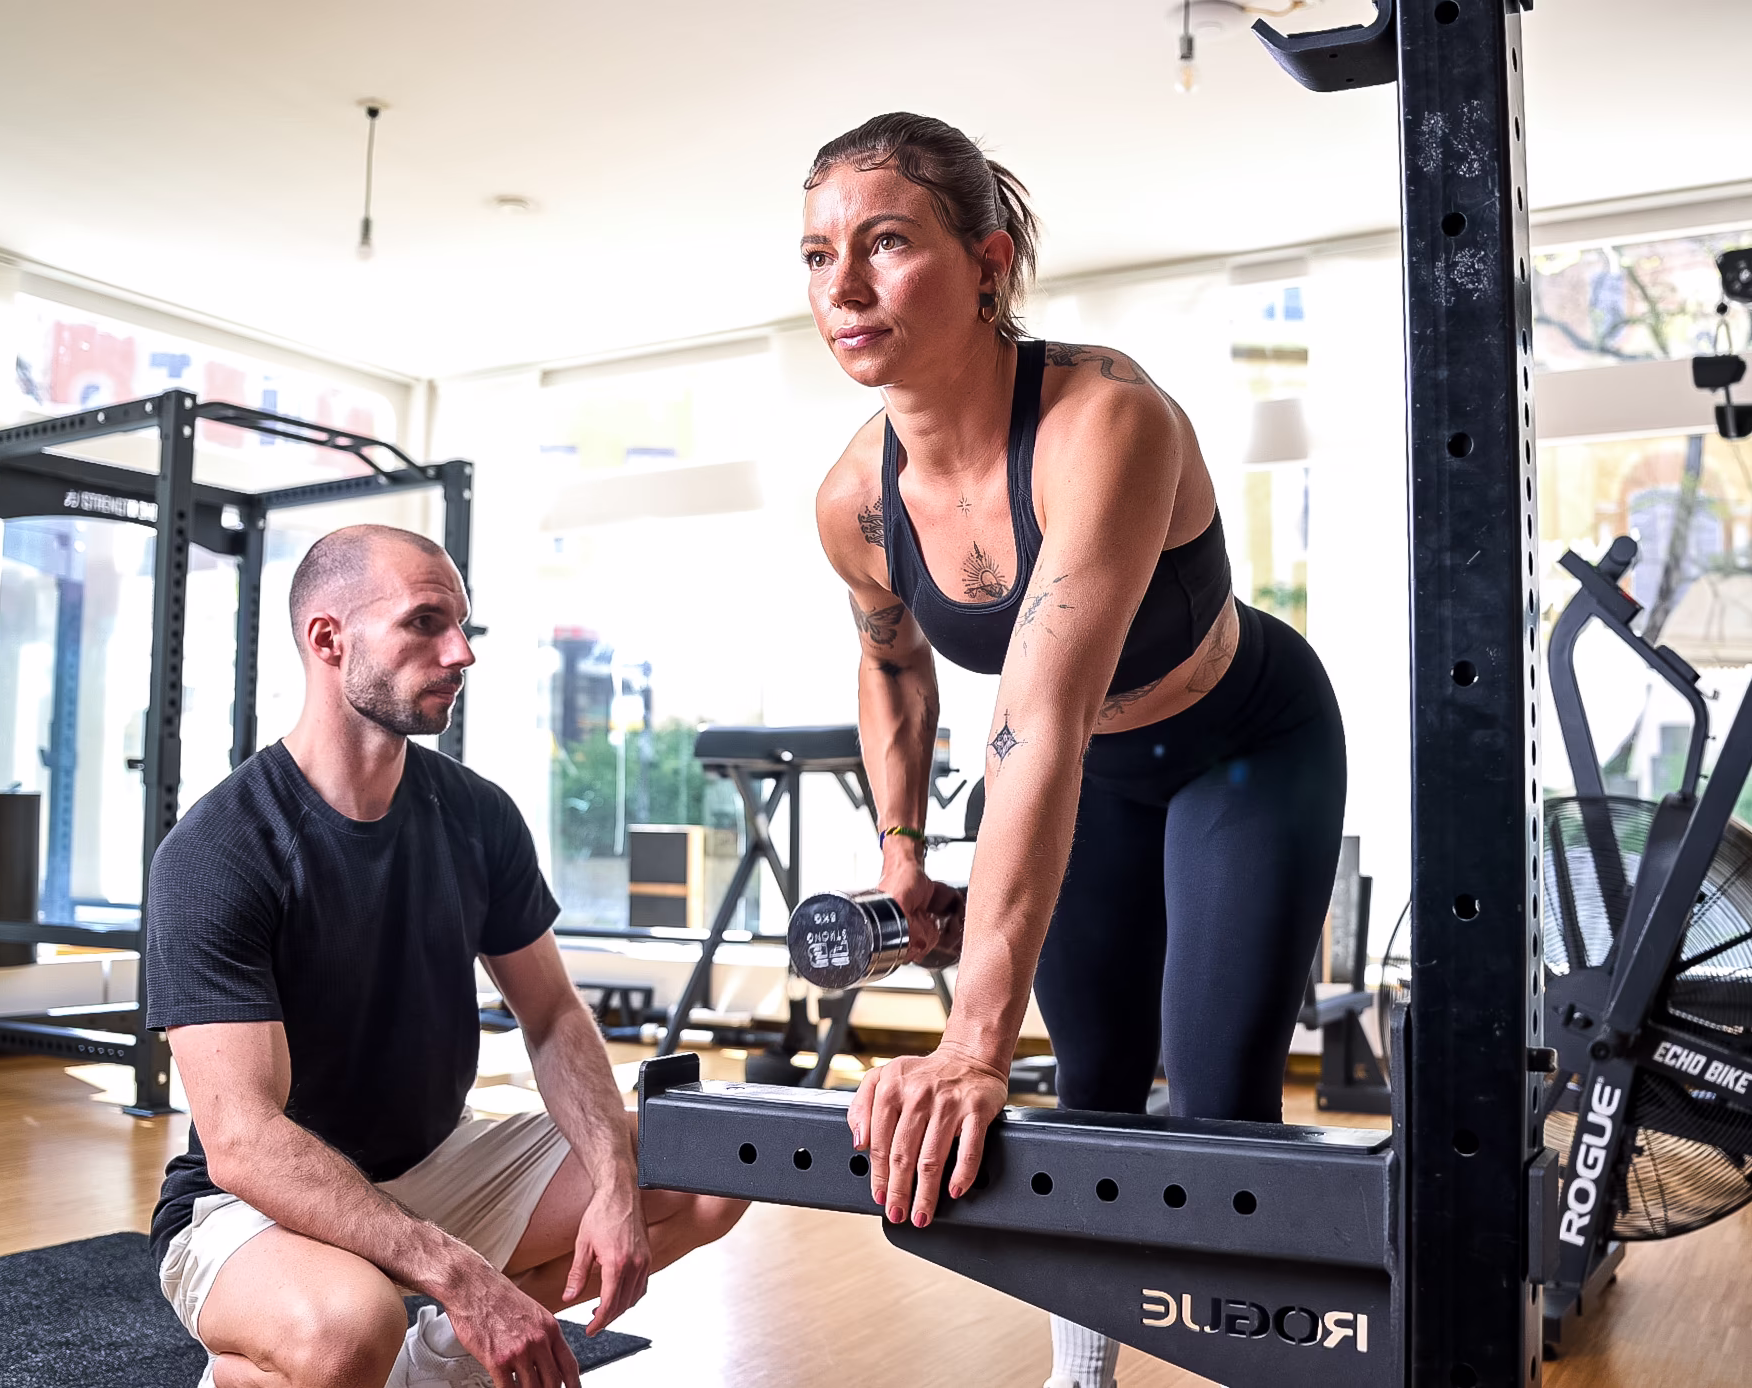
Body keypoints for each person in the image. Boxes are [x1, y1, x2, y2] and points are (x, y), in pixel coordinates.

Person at [804, 114, 1349, 1388]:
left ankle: (1251, 1365)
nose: (845, 284)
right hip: (1092, 778)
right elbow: (894, 661)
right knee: (1093, 1082)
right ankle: (1084, 1373)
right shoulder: (853, 502)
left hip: (1244, 748)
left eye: (887, 242)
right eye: (820, 252)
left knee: (1218, 1100)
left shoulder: (1107, 419)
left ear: (988, 262)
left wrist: (971, 1042)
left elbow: (1034, 714)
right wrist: (900, 855)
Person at [143, 524, 745, 1388]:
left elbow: (552, 1014)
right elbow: (244, 1143)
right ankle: (325, 1357)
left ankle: (425, 1372)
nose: (460, 652)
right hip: (252, 1206)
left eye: (463, 626)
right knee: (350, 1326)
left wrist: (614, 1184)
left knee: (707, 1170)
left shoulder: (477, 814)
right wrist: (465, 1280)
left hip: (429, 1164)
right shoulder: (220, 849)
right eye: (426, 623)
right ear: (327, 639)